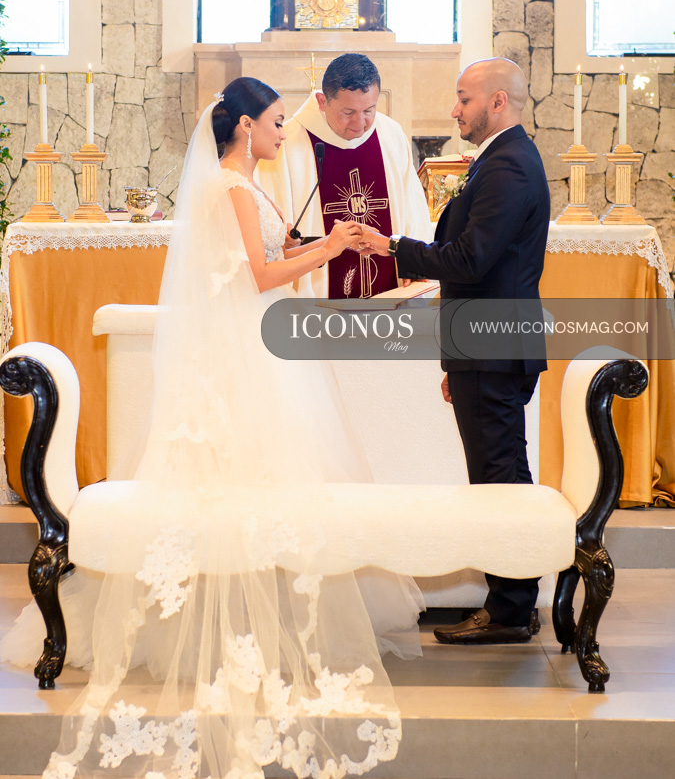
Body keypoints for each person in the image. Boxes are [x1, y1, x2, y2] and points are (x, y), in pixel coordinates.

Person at [2, 78, 423, 779]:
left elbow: (265, 255)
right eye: (276, 121)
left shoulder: (245, 186)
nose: (283, 132)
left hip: (256, 350)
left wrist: (312, 240)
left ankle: (262, 606)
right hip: (243, 361)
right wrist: (326, 251)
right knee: (238, 480)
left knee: (259, 487)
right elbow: (259, 276)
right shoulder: (228, 187)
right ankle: (227, 617)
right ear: (244, 127)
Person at [359, 58, 550, 645]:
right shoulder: (500, 159)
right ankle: (511, 600)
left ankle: (512, 609)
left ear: (497, 102)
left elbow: (469, 259)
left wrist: (394, 247)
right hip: (483, 346)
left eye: (463, 98)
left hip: (493, 345)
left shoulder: (510, 166)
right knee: (496, 473)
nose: (454, 109)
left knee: (500, 479)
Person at [257, 53, 433, 298]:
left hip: (390, 294)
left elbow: (413, 208)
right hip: (315, 300)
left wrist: (414, 263)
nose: (360, 123)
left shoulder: (390, 133)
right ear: (321, 101)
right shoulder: (286, 142)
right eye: (348, 112)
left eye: (369, 110)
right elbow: (271, 228)